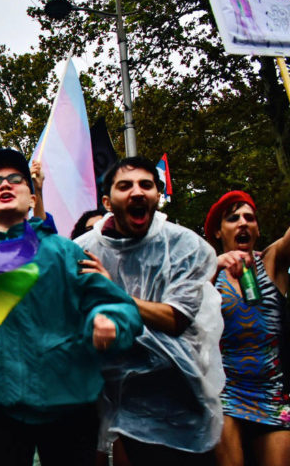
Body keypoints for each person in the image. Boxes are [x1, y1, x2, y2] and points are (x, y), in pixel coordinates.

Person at [0, 149, 143, 466]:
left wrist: (109, 322)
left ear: (32, 197)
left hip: (69, 411)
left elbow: (120, 308)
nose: (5, 185)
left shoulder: (66, 253)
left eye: (16, 179)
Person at [76, 156, 224, 465]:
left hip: (183, 393)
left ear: (158, 195)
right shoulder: (84, 250)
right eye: (125, 185)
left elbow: (175, 319)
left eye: (146, 185)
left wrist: (113, 291)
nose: (138, 192)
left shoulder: (183, 245)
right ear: (107, 200)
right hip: (125, 400)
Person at [205, 107, 290, 466]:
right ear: (217, 231)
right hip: (223, 394)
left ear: (256, 230)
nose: (243, 222)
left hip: (272, 394)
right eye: (233, 218)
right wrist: (211, 268)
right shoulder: (206, 271)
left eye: (250, 217)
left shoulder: (273, 261)